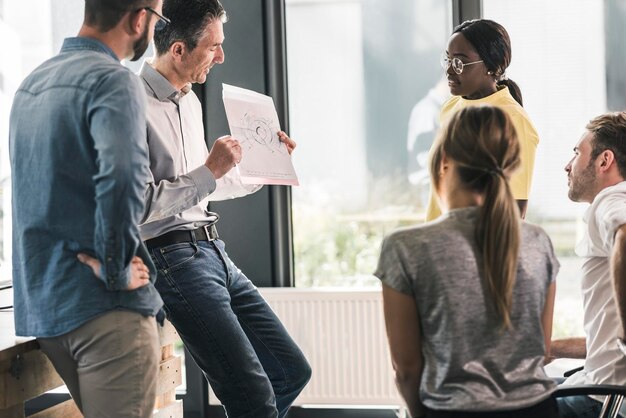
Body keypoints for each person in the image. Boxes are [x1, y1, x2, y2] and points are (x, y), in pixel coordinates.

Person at [137, 0, 311, 416]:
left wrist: (266, 164)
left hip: (213, 252)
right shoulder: (130, 103)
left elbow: (202, 188)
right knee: (254, 398)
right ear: (178, 49)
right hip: (173, 257)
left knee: (290, 371)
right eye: (213, 47)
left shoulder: (190, 102)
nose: (221, 56)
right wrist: (210, 169)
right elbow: (139, 205)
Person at [8, 1, 166, 417]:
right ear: (138, 18)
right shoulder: (114, 80)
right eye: (158, 18)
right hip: (106, 311)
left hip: (48, 310)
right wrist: (114, 269)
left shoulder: (30, 85)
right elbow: (123, 180)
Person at [376, 106, 559, 418]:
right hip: (537, 410)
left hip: (453, 411)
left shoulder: (406, 247)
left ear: (444, 159)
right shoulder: (538, 241)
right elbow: (541, 351)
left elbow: (406, 368)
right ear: (511, 165)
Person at [426, 19, 539, 221]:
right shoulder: (450, 107)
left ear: (491, 66)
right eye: (448, 60)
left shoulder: (513, 120)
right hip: (437, 236)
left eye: (459, 62)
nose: (450, 70)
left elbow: (514, 211)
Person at [551, 112, 626, 418]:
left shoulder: (610, 200)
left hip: (598, 400)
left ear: (604, 160)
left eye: (577, 153)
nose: (568, 165)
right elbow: (606, 342)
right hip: (598, 387)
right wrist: (550, 348)